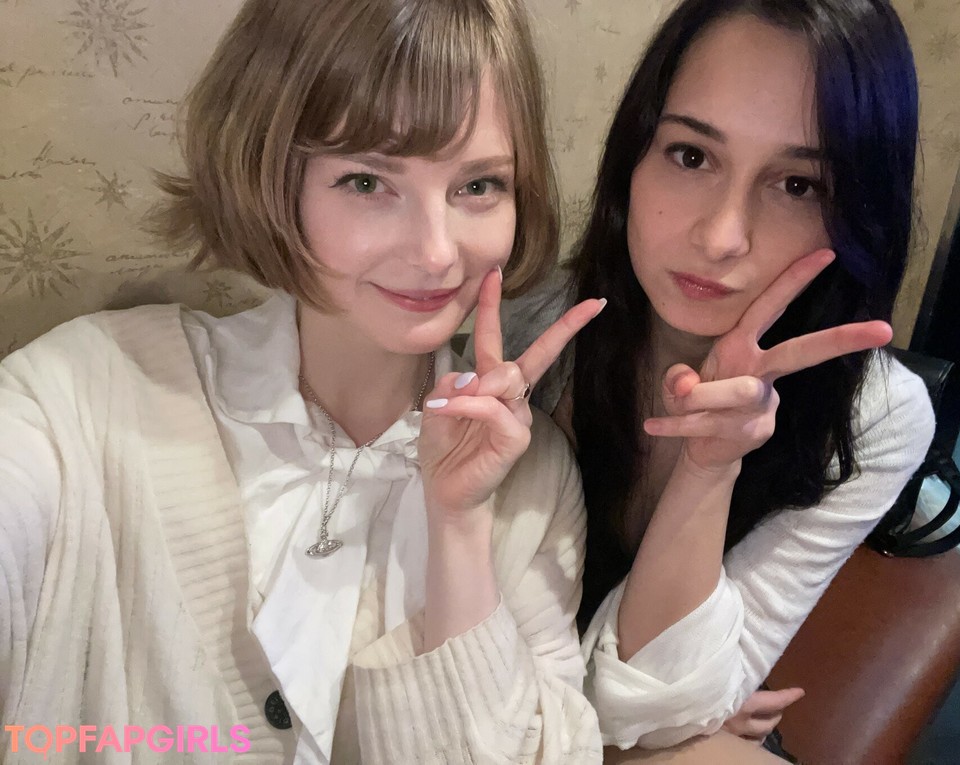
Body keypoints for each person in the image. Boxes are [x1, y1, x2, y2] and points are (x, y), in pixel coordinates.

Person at [0, 0, 607, 762]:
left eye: (478, 185)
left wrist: (457, 530)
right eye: (367, 181)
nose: (436, 252)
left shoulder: (532, 476)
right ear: (273, 176)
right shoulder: (83, 402)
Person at [487, 0, 935, 752]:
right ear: (633, 156)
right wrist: (695, 702)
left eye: (798, 185)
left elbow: (657, 719)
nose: (723, 236)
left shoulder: (877, 417)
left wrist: (710, 467)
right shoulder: (532, 329)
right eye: (692, 156)